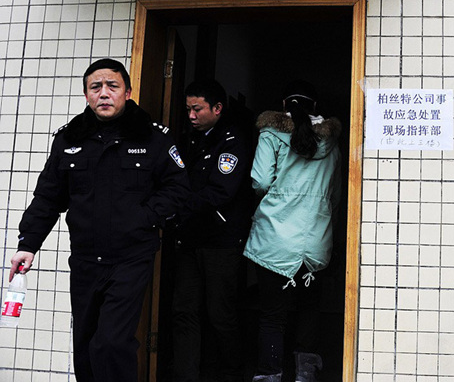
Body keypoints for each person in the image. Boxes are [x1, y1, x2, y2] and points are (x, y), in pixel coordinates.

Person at [8, 58, 190, 381]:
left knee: (111, 343)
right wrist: (28, 244)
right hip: (85, 260)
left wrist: (143, 217)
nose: (104, 93)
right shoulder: (69, 139)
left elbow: (177, 189)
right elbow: (48, 197)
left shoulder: (154, 138)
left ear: (127, 92)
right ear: (86, 95)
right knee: (86, 347)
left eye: (112, 86)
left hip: (130, 258)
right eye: (96, 87)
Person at [244, 80, 342, 382]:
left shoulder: (270, 135)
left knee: (272, 314)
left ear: (284, 105)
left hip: (274, 238)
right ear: (316, 107)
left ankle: (269, 373)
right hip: (316, 239)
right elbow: (336, 196)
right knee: (309, 308)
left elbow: (260, 181)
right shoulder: (333, 143)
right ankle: (305, 375)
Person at [171, 79, 253, 382]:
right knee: (184, 310)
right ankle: (186, 375)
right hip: (189, 238)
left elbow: (220, 191)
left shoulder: (232, 141)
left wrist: (176, 208)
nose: (191, 115)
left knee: (221, 314)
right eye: (188, 109)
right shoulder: (187, 140)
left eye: (197, 109)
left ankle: (231, 373)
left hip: (221, 241)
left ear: (217, 108)